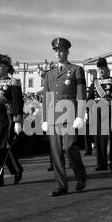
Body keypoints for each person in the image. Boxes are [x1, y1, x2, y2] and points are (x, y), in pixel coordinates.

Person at [42, 37, 87, 196]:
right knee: (56, 152)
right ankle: (61, 185)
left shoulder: (76, 70)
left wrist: (80, 115)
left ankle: (80, 175)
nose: (58, 53)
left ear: (67, 51)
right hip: (54, 115)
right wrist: (45, 119)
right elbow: (46, 97)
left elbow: (81, 94)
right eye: (56, 51)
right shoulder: (49, 74)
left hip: (69, 114)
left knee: (69, 147)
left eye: (61, 50)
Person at [0, 54, 24, 188]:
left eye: (0, 66)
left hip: (3, 118)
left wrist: (18, 120)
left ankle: (17, 170)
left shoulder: (13, 82)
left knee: (3, 147)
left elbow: (17, 102)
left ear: (7, 68)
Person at [87, 58, 112, 171]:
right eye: (99, 69)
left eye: (102, 68)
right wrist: (86, 111)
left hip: (108, 111)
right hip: (96, 112)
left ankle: (109, 160)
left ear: (107, 69)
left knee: (107, 137)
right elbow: (90, 98)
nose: (100, 71)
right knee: (97, 138)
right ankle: (100, 163)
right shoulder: (95, 83)